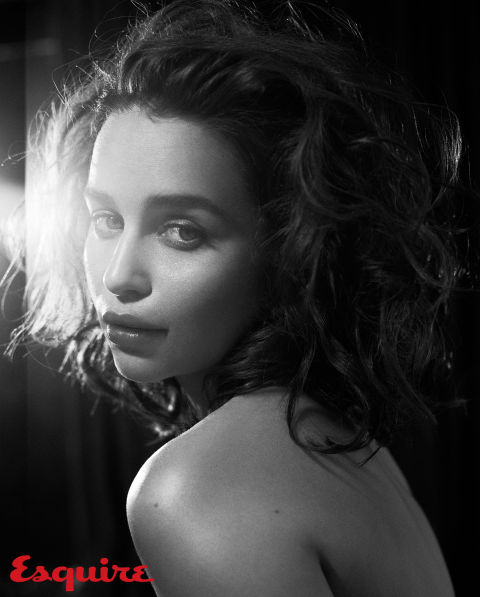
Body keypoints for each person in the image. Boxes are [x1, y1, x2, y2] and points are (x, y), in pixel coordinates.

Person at [6, 0, 462, 595]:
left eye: (183, 232)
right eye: (106, 219)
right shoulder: (343, 442)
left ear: (287, 251)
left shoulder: (197, 489)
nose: (118, 277)